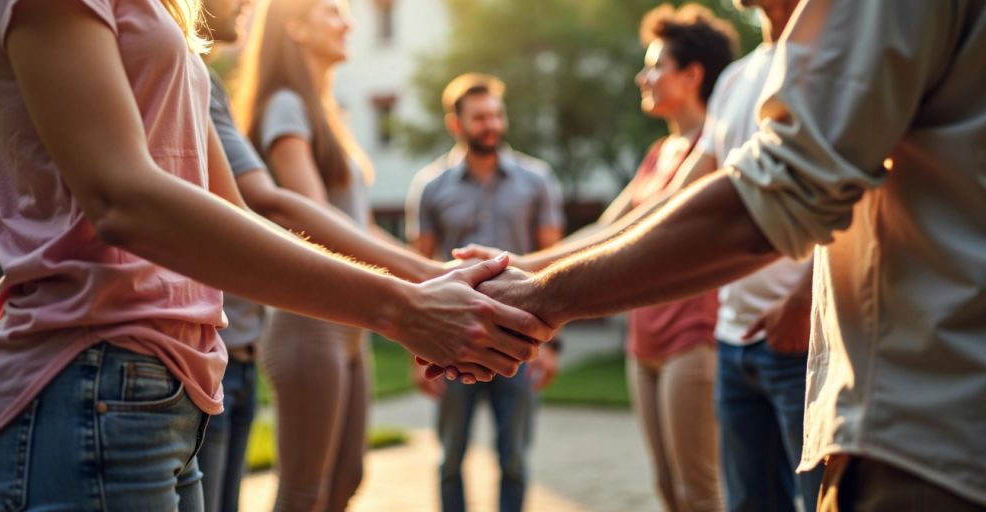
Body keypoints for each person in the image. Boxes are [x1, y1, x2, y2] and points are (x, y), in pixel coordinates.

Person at [0, 1, 551, 509]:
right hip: (89, 376)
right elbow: (124, 200)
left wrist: (430, 279)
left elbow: (236, 207)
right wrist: (405, 306)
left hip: (167, 383)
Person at [449, 1, 986, 509]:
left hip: (926, 418)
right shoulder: (741, 79)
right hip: (773, 354)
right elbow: (668, 203)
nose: (645, 77)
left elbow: (779, 196)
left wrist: (544, 296)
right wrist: (525, 269)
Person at [452, 6, 737, 510]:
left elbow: (649, 226)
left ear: (692, 76)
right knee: (670, 489)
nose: (642, 76)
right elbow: (608, 229)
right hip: (644, 336)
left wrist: (529, 271)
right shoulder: (658, 155)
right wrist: (519, 261)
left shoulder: (715, 147)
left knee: (699, 490)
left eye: (656, 66)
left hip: (694, 336)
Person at [195, 1, 464, 509]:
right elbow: (310, 216)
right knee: (305, 489)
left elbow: (356, 227)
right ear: (295, 27)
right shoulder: (284, 106)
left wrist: (432, 277)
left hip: (348, 325)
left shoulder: (327, 110)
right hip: (310, 322)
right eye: (332, 12)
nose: (349, 23)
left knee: (346, 479)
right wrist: (422, 281)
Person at [665, 1, 823, 511]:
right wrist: (541, 271)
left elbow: (863, 194)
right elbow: (687, 200)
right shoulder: (735, 77)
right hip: (733, 342)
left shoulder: (826, 58)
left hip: (806, 343)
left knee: (822, 500)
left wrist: (802, 300)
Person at [405, 73, 565, 512]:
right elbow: (419, 269)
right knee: (451, 458)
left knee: (514, 458)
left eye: (496, 114)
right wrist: (414, 351)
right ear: (456, 125)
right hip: (450, 339)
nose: (491, 124)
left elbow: (554, 261)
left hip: (521, 338)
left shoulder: (538, 180)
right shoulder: (431, 186)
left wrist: (553, 344)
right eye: (480, 118)